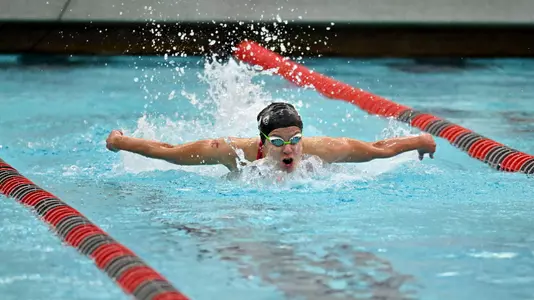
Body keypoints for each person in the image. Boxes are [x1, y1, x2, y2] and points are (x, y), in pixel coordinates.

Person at [105, 102, 436, 173]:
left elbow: (378, 149)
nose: (289, 149)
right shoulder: (232, 152)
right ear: (262, 143)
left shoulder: (326, 150)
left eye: (295, 140)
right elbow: (170, 151)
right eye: (278, 143)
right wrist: (120, 142)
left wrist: (420, 141)